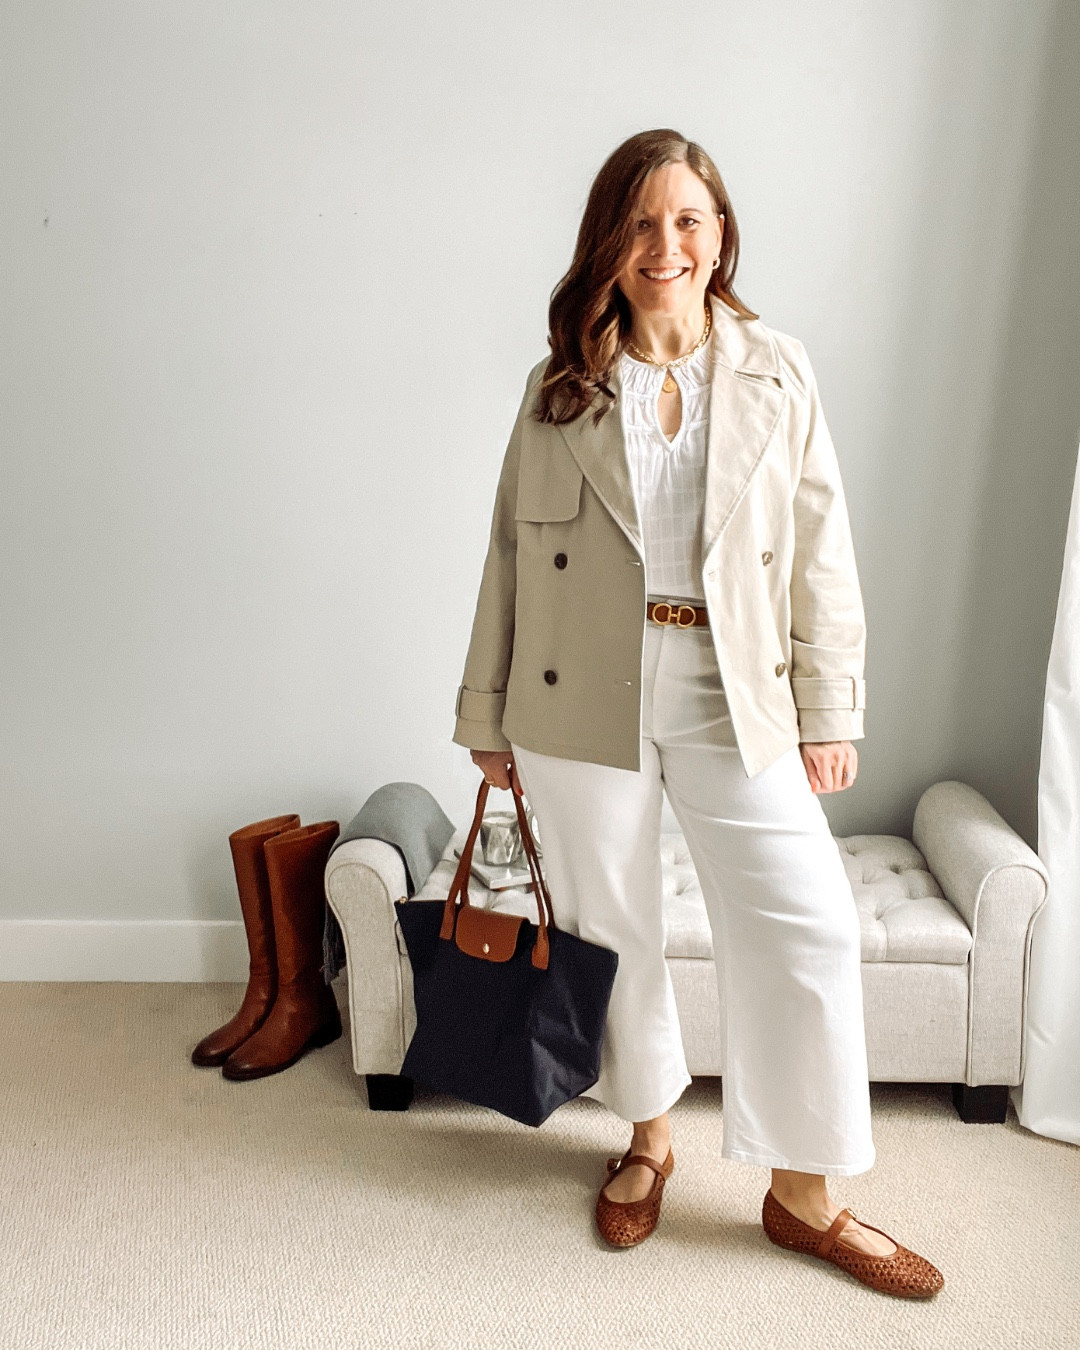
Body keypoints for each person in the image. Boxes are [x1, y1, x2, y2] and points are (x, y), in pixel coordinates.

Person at [451, 128, 943, 1297]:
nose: (666, 244)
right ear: (609, 245)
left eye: (689, 219)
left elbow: (823, 555)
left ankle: (804, 1192)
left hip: (737, 688)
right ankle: (646, 1136)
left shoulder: (778, 368)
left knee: (808, 923)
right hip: (579, 698)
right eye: (641, 222)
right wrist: (486, 711)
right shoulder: (560, 381)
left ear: (720, 234)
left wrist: (830, 707)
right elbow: (507, 561)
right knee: (612, 929)